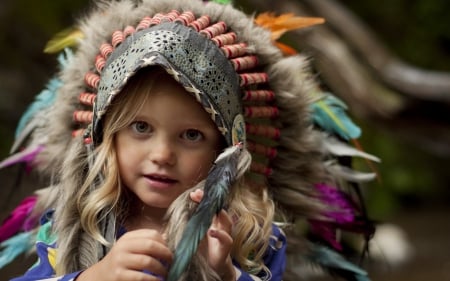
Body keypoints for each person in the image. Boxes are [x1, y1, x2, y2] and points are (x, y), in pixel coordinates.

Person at [0, 0, 378, 280]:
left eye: (192, 135)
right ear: (107, 136)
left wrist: (225, 274)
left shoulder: (252, 235)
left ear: (224, 148)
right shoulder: (79, 222)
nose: (163, 155)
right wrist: (93, 277)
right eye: (141, 128)